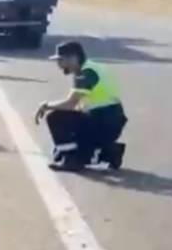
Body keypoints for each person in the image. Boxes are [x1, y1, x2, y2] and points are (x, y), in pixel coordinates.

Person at [33, 40, 128, 172]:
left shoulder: (85, 73)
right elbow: (79, 106)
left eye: (61, 60)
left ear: (74, 58)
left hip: (105, 120)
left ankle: (72, 160)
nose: (59, 65)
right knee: (75, 145)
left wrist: (46, 106)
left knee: (56, 118)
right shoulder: (90, 68)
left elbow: (71, 104)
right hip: (110, 119)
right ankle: (111, 152)